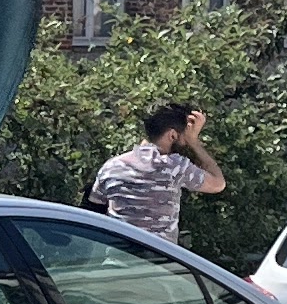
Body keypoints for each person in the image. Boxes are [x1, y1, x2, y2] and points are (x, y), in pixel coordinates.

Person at [91, 102, 227, 243]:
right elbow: (218, 184)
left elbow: (94, 207)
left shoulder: (112, 166)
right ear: (172, 135)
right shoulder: (174, 166)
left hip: (117, 254)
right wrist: (194, 142)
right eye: (183, 137)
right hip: (156, 255)